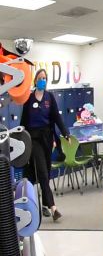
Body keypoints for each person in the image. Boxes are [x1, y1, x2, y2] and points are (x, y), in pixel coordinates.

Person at [21, 68, 67, 222]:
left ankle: (45, 204)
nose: (43, 81)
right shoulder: (29, 98)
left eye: (45, 78)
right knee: (42, 171)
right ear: (35, 80)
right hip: (33, 138)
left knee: (45, 172)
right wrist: (22, 139)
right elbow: (23, 121)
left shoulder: (49, 97)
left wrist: (65, 133)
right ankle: (53, 207)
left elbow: (57, 117)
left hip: (47, 138)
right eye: (40, 78)